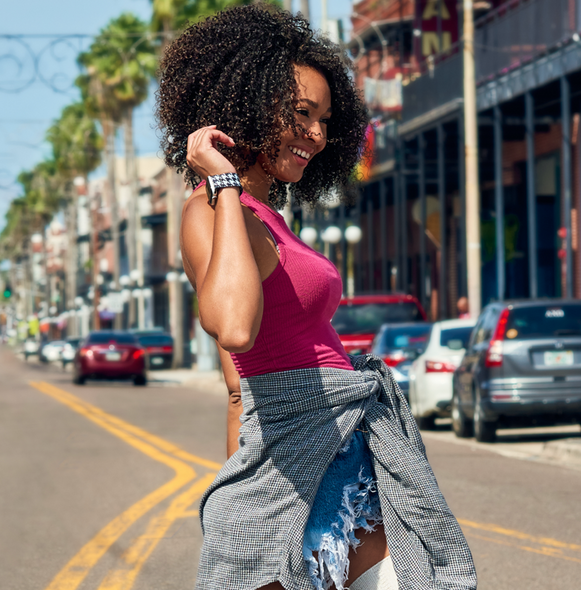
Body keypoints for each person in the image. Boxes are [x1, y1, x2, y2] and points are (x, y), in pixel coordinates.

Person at [156, 5, 476, 590]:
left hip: (352, 454)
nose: (318, 135)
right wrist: (224, 181)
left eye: (326, 119)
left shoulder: (266, 216)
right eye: (302, 114)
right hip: (296, 467)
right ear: (244, 107)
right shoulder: (212, 212)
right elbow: (233, 334)